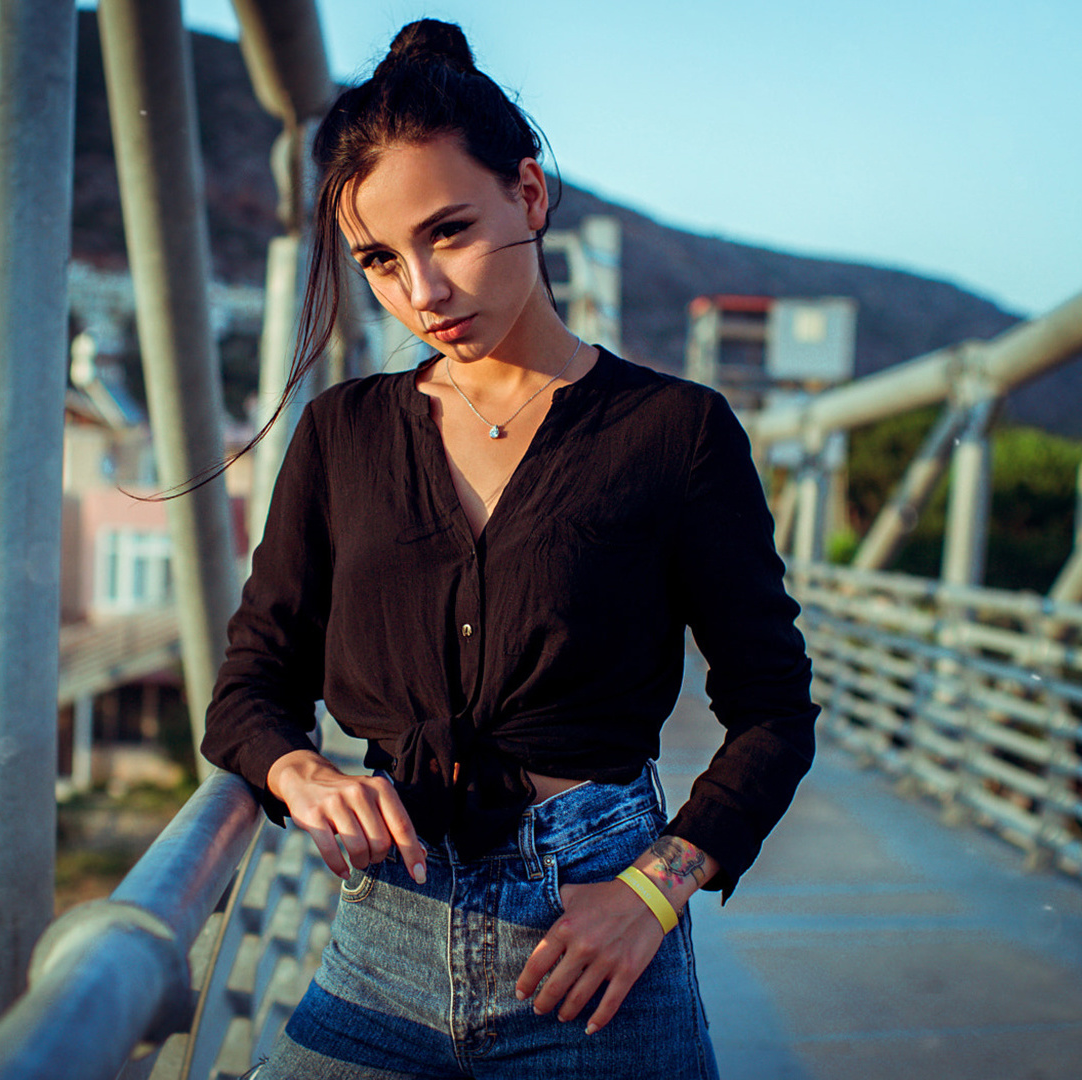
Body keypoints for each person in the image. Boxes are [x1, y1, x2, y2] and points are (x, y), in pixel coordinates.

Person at [202, 19, 817, 1080]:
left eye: (449, 232)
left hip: (596, 952)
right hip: (379, 941)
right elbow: (251, 684)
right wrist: (296, 769)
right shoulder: (343, 432)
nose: (421, 293)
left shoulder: (674, 431)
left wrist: (654, 891)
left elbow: (774, 710)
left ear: (529, 196)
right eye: (380, 261)